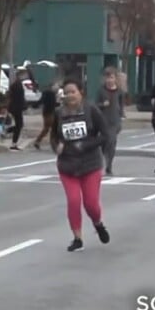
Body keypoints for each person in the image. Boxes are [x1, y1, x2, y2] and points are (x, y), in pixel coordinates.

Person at [50, 79, 110, 253]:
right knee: (74, 201)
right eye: (66, 93)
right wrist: (57, 147)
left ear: (80, 92)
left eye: (73, 92)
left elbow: (105, 134)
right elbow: (53, 135)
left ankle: (98, 224)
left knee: (91, 204)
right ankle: (77, 238)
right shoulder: (59, 113)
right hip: (67, 165)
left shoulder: (91, 110)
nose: (69, 96)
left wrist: (86, 145)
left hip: (90, 164)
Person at [96, 69, 125, 176]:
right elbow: (96, 104)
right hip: (104, 120)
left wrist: (122, 115)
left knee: (112, 142)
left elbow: (121, 105)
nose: (109, 80)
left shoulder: (119, 91)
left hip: (115, 121)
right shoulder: (101, 91)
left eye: (111, 78)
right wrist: (102, 104)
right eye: (108, 78)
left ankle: (109, 165)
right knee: (105, 142)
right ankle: (102, 159)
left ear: (115, 79)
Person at [7, 69, 27, 152]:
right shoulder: (17, 85)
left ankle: (9, 132)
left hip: (14, 107)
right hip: (17, 107)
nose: (25, 77)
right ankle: (13, 142)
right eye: (24, 75)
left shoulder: (16, 84)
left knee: (19, 124)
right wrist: (23, 106)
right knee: (19, 125)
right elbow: (19, 98)